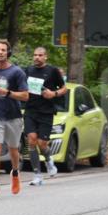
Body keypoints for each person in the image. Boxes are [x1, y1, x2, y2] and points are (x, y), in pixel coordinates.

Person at [0, 39, 29, 200]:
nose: (0, 52)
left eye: (3, 50)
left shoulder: (17, 73)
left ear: (8, 53)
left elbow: (25, 95)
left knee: (13, 149)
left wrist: (7, 93)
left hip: (13, 116)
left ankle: (15, 172)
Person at [23, 47, 67, 186]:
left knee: (42, 144)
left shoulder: (52, 71)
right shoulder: (28, 71)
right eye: (35, 55)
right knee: (31, 141)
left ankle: (48, 160)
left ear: (45, 57)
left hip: (46, 112)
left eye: (40, 55)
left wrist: (53, 94)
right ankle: (37, 174)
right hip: (30, 110)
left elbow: (64, 88)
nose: (37, 57)